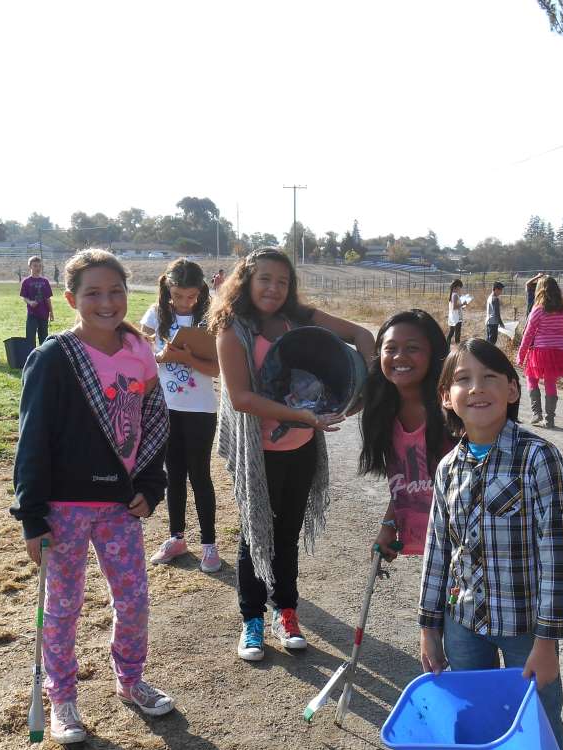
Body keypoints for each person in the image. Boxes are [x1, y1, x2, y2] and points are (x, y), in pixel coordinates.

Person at [419, 338, 563, 750]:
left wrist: (548, 640)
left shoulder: (538, 458)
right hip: (464, 624)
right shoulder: (448, 468)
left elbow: (558, 553)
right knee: (472, 724)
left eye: (490, 377)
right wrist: (429, 624)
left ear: (513, 389)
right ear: (446, 397)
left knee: (539, 729)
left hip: (524, 625)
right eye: (462, 379)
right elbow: (439, 549)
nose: (476, 388)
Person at [11, 248, 174, 743]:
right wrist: (31, 516)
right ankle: (62, 697)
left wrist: (150, 484)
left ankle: (130, 679)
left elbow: (152, 422)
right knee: (62, 607)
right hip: (63, 508)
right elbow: (32, 438)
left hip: (119, 507)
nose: (107, 302)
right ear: (70, 299)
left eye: (116, 291)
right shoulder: (53, 358)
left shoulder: (139, 350)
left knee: (134, 600)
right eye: (93, 293)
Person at [209, 247, 375, 662]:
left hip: (301, 448)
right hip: (259, 452)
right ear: (247, 279)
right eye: (265, 278)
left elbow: (362, 336)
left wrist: (363, 385)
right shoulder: (233, 328)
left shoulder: (300, 319)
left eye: (282, 281)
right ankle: (252, 619)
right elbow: (243, 398)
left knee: (287, 534)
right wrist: (300, 414)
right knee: (256, 533)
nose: (274, 288)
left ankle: (287, 611)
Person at [140, 258, 222, 574]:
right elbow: (141, 352)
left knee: (199, 475)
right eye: (178, 295)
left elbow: (215, 369)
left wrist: (186, 357)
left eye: (192, 296)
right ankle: (176, 538)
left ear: (201, 291)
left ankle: (209, 544)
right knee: (172, 474)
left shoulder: (211, 317)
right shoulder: (156, 314)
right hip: (166, 408)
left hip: (200, 409)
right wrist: (160, 356)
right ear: (167, 289)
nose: (185, 302)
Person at [358, 309, 452, 561]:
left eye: (412, 348)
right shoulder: (383, 412)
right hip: (429, 543)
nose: (399, 356)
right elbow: (404, 482)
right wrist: (388, 528)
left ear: (434, 354)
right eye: (390, 349)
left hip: (462, 543)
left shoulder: (452, 410)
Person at [516, 277, 563, 428]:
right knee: (550, 382)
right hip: (558, 351)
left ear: (540, 290)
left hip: (540, 351)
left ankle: (537, 414)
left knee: (531, 378)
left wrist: (521, 355)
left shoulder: (537, 310)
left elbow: (528, 335)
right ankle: (550, 419)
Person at [20, 255, 55, 349]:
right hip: (32, 314)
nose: (38, 268)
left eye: (39, 266)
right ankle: (31, 356)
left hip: (44, 314)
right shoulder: (26, 282)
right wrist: (30, 302)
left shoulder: (45, 281)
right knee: (30, 338)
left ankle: (42, 356)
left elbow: (48, 298)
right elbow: (24, 297)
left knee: (43, 338)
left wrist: (51, 312)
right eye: (35, 266)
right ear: (30, 267)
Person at [445, 279, 465, 345]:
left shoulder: (452, 294)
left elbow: (454, 306)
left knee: (451, 333)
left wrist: (461, 305)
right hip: (457, 318)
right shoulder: (455, 295)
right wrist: (463, 304)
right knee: (457, 335)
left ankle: (446, 348)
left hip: (452, 317)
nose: (460, 289)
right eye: (460, 287)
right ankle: (457, 350)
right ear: (456, 287)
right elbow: (454, 307)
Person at [485, 281, 505, 345]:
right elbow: (497, 313)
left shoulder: (490, 297)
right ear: (496, 289)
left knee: (488, 340)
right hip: (493, 322)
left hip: (489, 321)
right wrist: (501, 323)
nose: (501, 292)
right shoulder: (495, 299)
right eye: (500, 290)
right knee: (492, 342)